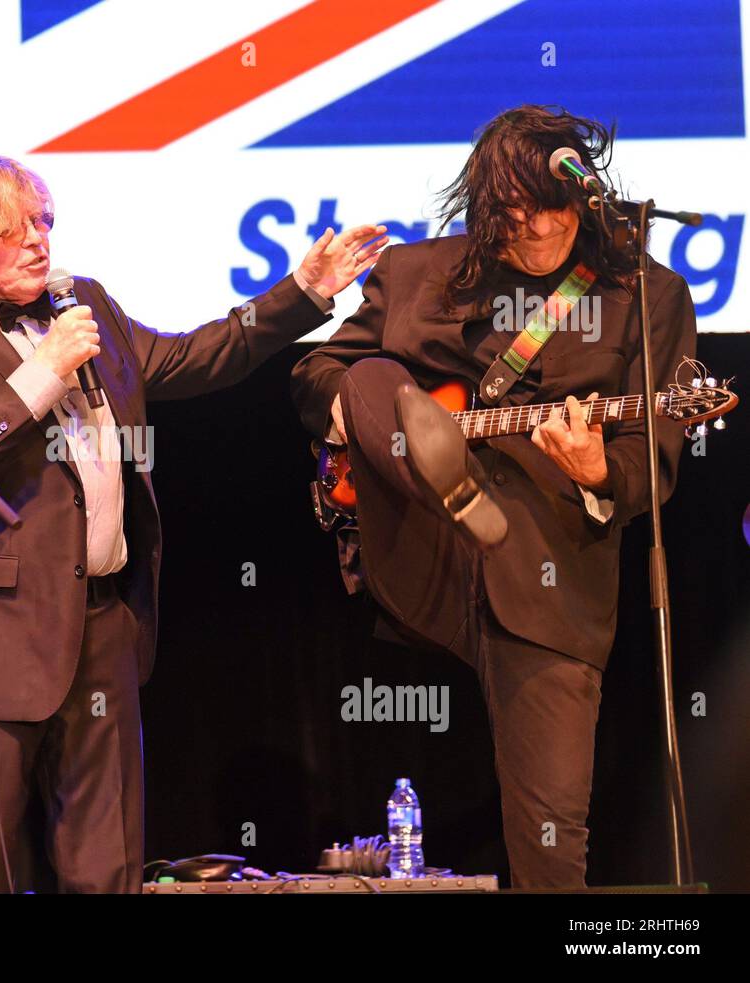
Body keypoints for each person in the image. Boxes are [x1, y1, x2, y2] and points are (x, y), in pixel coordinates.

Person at [0, 150, 385, 892]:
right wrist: (43, 371)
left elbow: (196, 356)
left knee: (107, 863)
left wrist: (300, 293)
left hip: (103, 620)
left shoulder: (87, 303)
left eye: (44, 222)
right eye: (13, 231)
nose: (40, 240)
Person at [290, 106, 698, 888]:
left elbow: (660, 457)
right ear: (484, 209)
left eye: (553, 206)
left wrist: (598, 471)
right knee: (374, 378)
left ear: (584, 195)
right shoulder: (416, 274)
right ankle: (439, 466)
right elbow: (315, 376)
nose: (539, 228)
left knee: (549, 850)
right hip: (423, 545)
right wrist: (370, 428)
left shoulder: (648, 295)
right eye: (514, 213)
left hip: (549, 578)